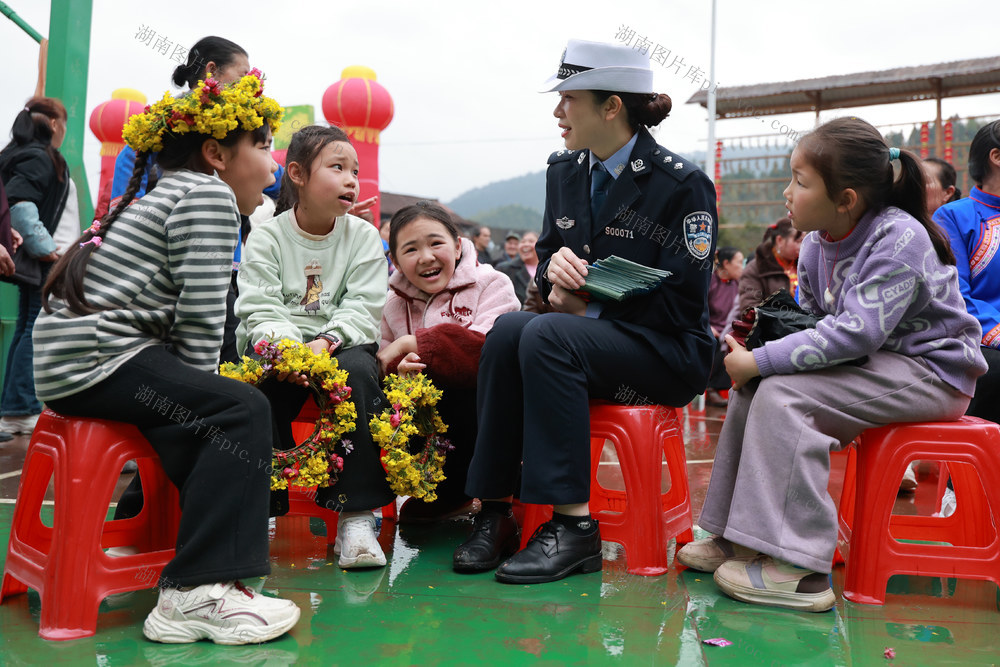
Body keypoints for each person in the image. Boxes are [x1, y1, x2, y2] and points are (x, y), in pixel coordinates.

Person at [676, 117, 987, 613]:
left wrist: (760, 360)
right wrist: (760, 362)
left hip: (933, 372)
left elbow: (855, 332)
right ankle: (740, 536)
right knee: (755, 389)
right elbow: (818, 322)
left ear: (846, 199)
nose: (787, 193)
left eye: (800, 182)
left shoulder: (899, 238)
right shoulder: (819, 241)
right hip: (878, 362)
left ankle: (801, 570)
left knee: (782, 394)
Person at [33, 73, 300, 644]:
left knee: (215, 408)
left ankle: (172, 555)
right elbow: (203, 324)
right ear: (215, 154)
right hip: (102, 357)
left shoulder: (166, 193)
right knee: (242, 409)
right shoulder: (206, 194)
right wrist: (213, 407)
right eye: (262, 145)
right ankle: (194, 594)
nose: (273, 164)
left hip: (77, 361)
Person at [452, 39, 717, 584]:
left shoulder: (681, 184)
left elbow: (684, 301)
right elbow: (550, 253)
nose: (557, 113)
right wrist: (555, 271)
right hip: (587, 339)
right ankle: (496, 509)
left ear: (612, 106)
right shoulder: (565, 172)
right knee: (507, 331)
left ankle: (573, 529)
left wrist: (589, 304)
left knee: (549, 336)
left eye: (568, 99)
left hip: (664, 351)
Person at [236, 125, 393, 569]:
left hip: (338, 345)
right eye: (337, 168)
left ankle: (356, 518)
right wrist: (289, 351)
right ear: (299, 174)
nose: (351, 180)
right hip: (278, 347)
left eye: (355, 171)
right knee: (252, 391)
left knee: (360, 373)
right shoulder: (266, 235)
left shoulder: (361, 237)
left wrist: (325, 342)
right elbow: (258, 306)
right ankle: (260, 512)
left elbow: (364, 306)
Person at [377, 202, 520, 521]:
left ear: (457, 246)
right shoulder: (392, 304)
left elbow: (487, 353)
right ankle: (446, 493)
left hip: (486, 413)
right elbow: (384, 358)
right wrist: (396, 370)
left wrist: (414, 343)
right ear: (395, 261)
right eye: (411, 249)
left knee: (468, 388)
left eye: (436, 243)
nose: (426, 257)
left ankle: (498, 493)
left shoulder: (492, 283)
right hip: (431, 427)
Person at [0, 97, 69, 439]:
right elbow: (21, 204)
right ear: (55, 124)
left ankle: (14, 408)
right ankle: (19, 407)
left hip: (18, 251)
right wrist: (47, 249)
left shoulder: (15, 151)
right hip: (32, 254)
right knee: (34, 326)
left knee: (27, 325)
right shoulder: (39, 157)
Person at [737, 217, 803, 313]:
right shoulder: (756, 269)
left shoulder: (805, 264)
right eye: (798, 241)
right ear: (779, 240)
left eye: (804, 241)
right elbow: (750, 309)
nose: (802, 246)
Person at [705, 247, 744, 406]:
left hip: (731, 329)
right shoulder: (710, 282)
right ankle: (712, 389)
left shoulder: (740, 284)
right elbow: (699, 309)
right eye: (739, 263)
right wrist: (708, 326)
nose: (742, 267)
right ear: (726, 263)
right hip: (712, 330)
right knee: (720, 341)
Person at [495, 230, 539, 305]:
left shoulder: (549, 269)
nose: (526, 244)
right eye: (523, 242)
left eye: (531, 241)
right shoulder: (504, 269)